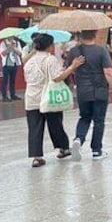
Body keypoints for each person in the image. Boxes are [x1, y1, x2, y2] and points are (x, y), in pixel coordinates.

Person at [23, 34, 84, 167]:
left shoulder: (29, 61)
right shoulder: (50, 59)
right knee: (55, 123)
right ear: (50, 46)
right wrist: (72, 67)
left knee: (34, 128)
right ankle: (63, 148)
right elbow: (57, 77)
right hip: (48, 98)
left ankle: (37, 157)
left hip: (31, 98)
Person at [67, 29, 112, 161]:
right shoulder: (101, 50)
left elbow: (69, 70)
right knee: (99, 121)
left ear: (81, 35)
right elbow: (108, 72)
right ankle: (96, 151)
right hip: (99, 90)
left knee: (84, 117)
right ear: (95, 34)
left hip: (82, 90)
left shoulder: (74, 51)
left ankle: (79, 138)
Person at [0, 36, 23, 101]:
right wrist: (9, 47)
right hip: (6, 64)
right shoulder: (3, 43)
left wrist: (14, 48)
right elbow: (3, 53)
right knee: (5, 80)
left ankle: (13, 95)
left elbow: (20, 53)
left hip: (14, 63)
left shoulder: (17, 43)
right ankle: (4, 96)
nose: (11, 37)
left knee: (13, 81)